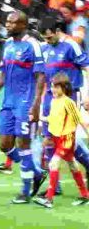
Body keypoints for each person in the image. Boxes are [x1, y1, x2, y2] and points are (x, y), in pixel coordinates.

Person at [0, 11, 47, 204]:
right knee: (5, 144)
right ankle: (36, 172)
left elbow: (40, 76)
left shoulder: (33, 45)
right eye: (7, 22)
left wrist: (36, 104)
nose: (8, 25)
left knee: (24, 144)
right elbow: (3, 74)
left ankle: (25, 191)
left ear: (23, 25)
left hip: (25, 102)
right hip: (8, 102)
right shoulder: (8, 44)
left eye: (12, 23)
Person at [36, 18, 89, 181]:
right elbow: (42, 77)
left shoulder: (71, 46)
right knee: (49, 138)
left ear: (58, 31)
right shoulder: (43, 48)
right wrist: (37, 102)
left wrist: (88, 95)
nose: (47, 40)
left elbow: (87, 68)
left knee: (66, 138)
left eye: (50, 37)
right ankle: (55, 186)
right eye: (44, 38)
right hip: (50, 98)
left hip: (69, 96)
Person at [32, 75, 89, 209]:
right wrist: (39, 117)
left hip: (67, 139)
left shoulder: (69, 102)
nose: (53, 89)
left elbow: (80, 121)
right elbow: (52, 119)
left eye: (57, 87)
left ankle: (49, 199)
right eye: (52, 86)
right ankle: (85, 195)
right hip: (57, 139)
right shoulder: (54, 101)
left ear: (64, 88)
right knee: (73, 165)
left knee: (53, 163)